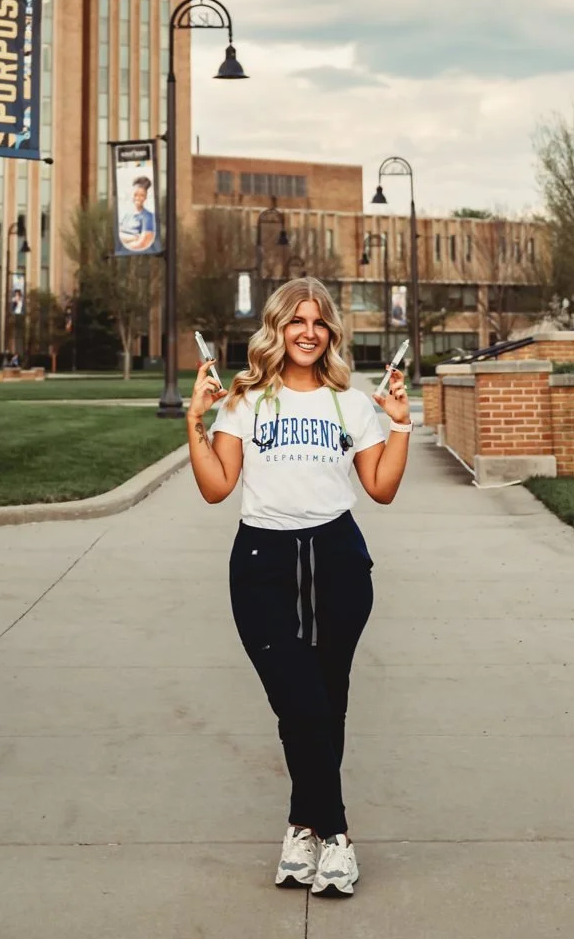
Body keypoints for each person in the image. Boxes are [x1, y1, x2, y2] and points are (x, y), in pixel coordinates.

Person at [186, 275, 411, 898]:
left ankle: (302, 829)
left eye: (318, 323)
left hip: (337, 559)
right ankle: (334, 831)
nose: (308, 332)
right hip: (262, 561)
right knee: (300, 702)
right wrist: (195, 423)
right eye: (296, 321)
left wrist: (400, 426)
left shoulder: (353, 402)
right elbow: (215, 487)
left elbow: (382, 488)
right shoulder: (245, 400)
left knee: (326, 700)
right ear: (277, 329)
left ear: (330, 332)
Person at [117, 174, 156, 252]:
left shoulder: (149, 217)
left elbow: (143, 243)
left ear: (145, 197)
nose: (138, 198)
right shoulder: (125, 215)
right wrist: (133, 238)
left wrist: (125, 243)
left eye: (141, 195)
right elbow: (118, 236)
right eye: (135, 194)